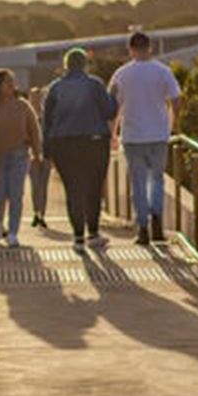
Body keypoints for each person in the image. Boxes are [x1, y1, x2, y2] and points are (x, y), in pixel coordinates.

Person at [40, 48, 117, 251]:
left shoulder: (54, 88)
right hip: (94, 142)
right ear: (85, 64)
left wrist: (46, 151)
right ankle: (93, 233)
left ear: (66, 66)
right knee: (93, 188)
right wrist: (114, 97)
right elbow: (109, 112)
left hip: (64, 144)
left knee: (73, 189)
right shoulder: (95, 85)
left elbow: (46, 121)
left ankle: (78, 238)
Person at [109, 31, 180, 245]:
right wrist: (171, 125)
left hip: (132, 135)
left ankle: (142, 227)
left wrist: (112, 133)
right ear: (150, 47)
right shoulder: (163, 71)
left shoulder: (121, 74)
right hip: (158, 134)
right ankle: (157, 220)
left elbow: (113, 106)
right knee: (156, 178)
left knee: (138, 182)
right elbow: (176, 100)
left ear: (130, 49)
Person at [0, 69, 42, 247]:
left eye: (13, 81)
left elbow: (34, 130)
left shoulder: (22, 105)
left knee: (16, 195)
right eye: (7, 82)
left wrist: (37, 153)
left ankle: (13, 233)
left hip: (19, 156)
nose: (12, 85)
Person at [26, 85, 54, 228]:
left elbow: (51, 136)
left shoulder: (47, 116)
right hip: (32, 155)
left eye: (38, 97)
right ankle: (35, 212)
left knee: (44, 185)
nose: (35, 100)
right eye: (33, 97)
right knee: (35, 185)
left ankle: (42, 214)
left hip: (47, 154)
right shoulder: (26, 115)